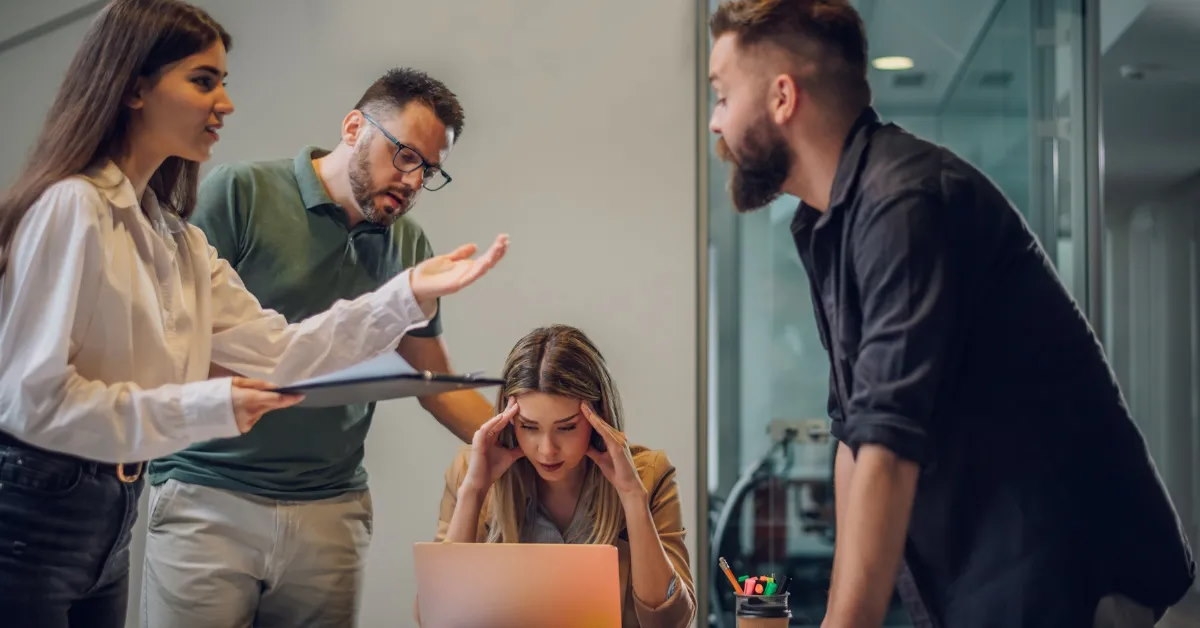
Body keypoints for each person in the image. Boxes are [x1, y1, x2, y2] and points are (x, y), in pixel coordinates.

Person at [0, 1, 506, 626]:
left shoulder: (174, 239)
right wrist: (210, 406)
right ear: (133, 87)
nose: (225, 104)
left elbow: (280, 351)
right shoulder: (74, 206)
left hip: (117, 506)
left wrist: (405, 294)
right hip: (41, 505)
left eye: (224, 84)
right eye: (203, 81)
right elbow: (32, 403)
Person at [706, 1, 1194, 627]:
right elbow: (856, 438)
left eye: (722, 94)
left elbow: (886, 438)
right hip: (989, 577)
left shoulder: (904, 202)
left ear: (781, 97)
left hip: (1068, 573)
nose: (716, 123)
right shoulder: (832, 223)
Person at [139, 67, 498, 627]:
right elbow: (181, 345)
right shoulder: (239, 193)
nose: (412, 180)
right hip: (209, 491)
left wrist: (526, 438)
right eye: (405, 155)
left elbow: (435, 383)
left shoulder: (407, 243)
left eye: (430, 170)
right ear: (355, 126)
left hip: (331, 507)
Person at [434, 325, 697, 628]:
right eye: (529, 427)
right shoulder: (471, 473)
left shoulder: (650, 476)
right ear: (508, 423)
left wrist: (632, 496)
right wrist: (474, 491)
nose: (547, 451)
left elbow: (670, 621)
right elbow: (440, 618)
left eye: (567, 427)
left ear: (599, 419)